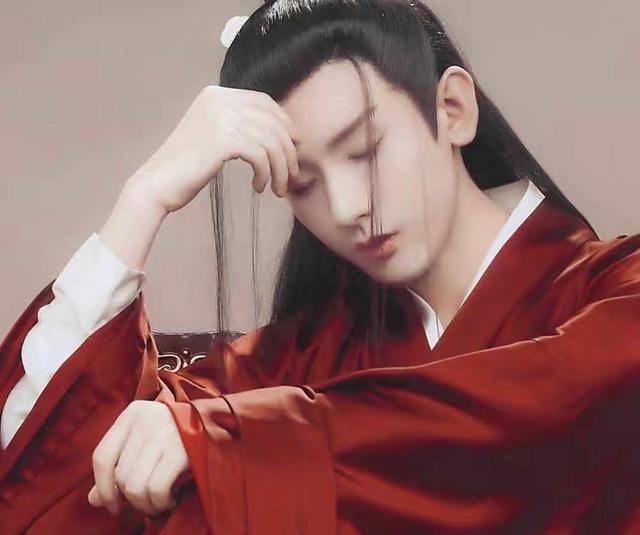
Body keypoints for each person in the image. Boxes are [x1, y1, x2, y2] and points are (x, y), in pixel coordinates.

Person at [1, 0, 639, 533]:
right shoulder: (299, 360)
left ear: (452, 109)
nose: (346, 207)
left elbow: (550, 405)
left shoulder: (617, 296)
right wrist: (145, 197)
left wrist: (234, 445)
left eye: (365, 151)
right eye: (303, 184)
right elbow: (59, 473)